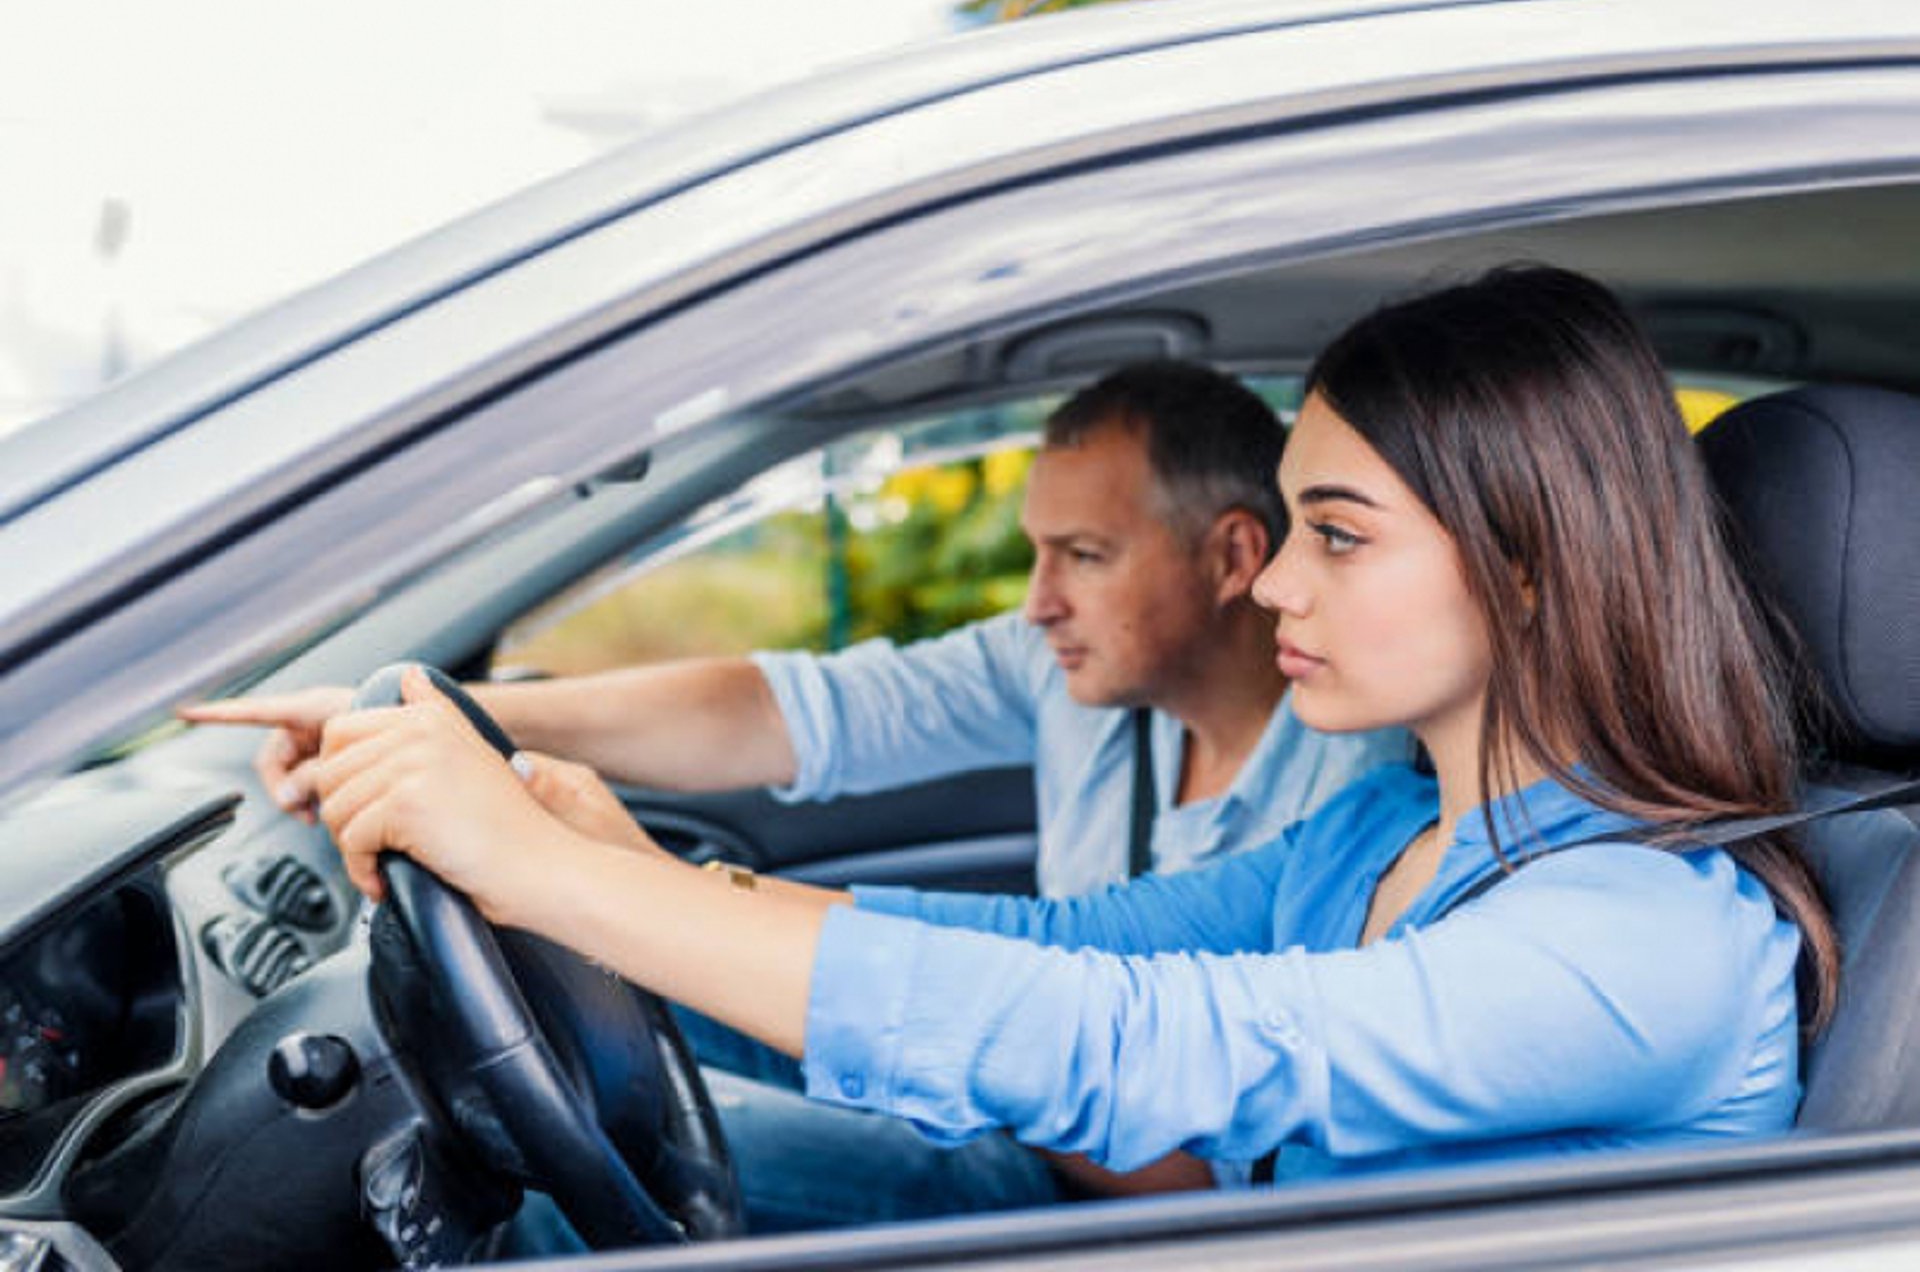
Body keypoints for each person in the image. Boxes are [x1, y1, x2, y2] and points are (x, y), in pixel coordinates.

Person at [268, 266, 1845, 1237]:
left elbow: (1144, 1047)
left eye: (1337, 537)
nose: (1279, 583)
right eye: (1289, 527)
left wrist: (548, 873)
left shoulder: (1648, 941)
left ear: (1527, 566)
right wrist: (624, 876)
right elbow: (1057, 946)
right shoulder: (1382, 832)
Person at [183, 362, 1406, 904]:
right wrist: (437, 711)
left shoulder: (1362, 787)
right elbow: (776, 708)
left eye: (1082, 557)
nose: (1037, 602)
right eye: (1039, 554)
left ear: (1235, 557)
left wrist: (638, 896)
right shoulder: (1058, 671)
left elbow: (1188, 1161)